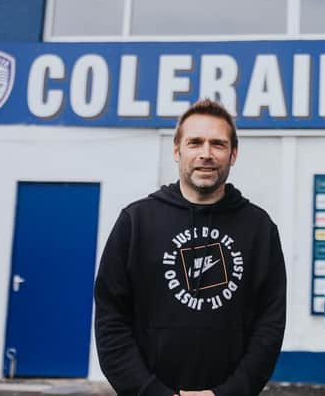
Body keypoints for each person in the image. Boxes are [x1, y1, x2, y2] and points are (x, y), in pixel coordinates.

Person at [94, 98, 286, 396]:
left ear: (233, 154)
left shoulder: (259, 229)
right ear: (177, 150)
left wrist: (228, 393)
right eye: (195, 143)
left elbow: (269, 326)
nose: (206, 154)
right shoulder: (136, 221)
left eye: (218, 144)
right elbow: (111, 320)